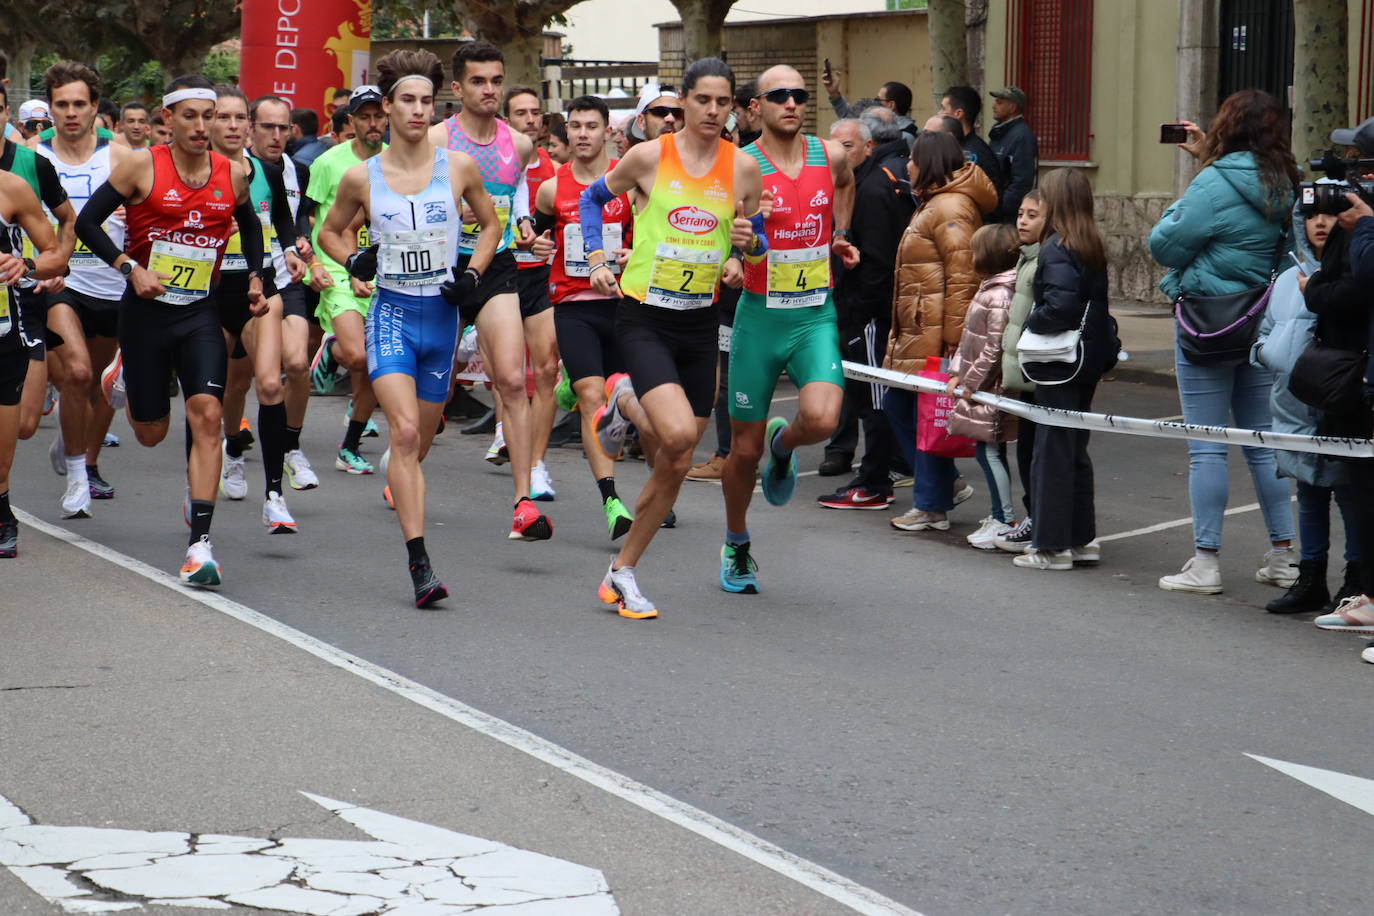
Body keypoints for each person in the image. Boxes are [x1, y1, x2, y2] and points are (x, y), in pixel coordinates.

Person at [578, 56, 765, 618]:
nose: (712, 110)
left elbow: (753, 244)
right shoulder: (648, 157)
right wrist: (595, 255)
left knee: (679, 456)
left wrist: (741, 252)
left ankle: (621, 571)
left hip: (700, 321)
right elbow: (593, 200)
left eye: (723, 102)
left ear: (733, 107)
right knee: (680, 434)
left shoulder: (743, 169)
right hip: (645, 317)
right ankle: (625, 400)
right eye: (702, 99)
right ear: (682, 100)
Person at [320, 48, 500, 608]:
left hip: (442, 319)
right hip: (393, 313)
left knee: (419, 440)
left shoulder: (460, 168)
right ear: (388, 108)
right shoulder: (361, 176)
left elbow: (492, 225)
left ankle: (400, 473)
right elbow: (331, 233)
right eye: (408, 101)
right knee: (401, 434)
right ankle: (420, 565)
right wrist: (354, 262)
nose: (419, 111)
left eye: (427, 101)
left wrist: (471, 276)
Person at [77, 73, 269, 587]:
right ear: (169, 119)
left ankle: (200, 545)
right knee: (149, 432)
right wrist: (128, 268)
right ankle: (122, 375)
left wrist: (255, 276)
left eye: (210, 116)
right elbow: (87, 223)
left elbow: (249, 225)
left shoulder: (234, 174)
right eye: (192, 116)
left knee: (207, 414)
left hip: (198, 313)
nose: (203, 126)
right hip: (144, 314)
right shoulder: (142, 165)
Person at [1149, 89, 1298, 594]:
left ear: (1225, 128)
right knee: (1261, 442)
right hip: (1261, 322)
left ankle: (1207, 563)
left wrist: (1193, 185)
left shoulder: (1212, 182)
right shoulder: (1287, 183)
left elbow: (1164, 245)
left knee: (1206, 446)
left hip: (1207, 323)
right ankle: (1283, 557)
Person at [717, 65, 857, 594]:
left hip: (814, 312)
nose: (792, 103)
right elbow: (725, 232)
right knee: (742, 452)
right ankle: (736, 542)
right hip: (759, 316)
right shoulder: (741, 167)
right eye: (779, 96)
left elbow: (846, 182)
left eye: (799, 94)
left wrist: (840, 233)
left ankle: (786, 447)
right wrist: (743, 239)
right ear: (756, 108)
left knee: (822, 419)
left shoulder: (830, 154)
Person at [428, 40, 552, 541]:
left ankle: (523, 501)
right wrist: (445, 212)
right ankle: (405, 462)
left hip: (496, 267)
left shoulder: (518, 144)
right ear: (457, 88)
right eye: (478, 81)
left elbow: (514, 194)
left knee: (513, 380)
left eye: (496, 81)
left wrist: (521, 224)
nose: (489, 90)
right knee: (431, 390)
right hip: (438, 269)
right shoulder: (435, 138)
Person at [529, 94, 636, 540]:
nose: (583, 134)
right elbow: (531, 238)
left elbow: (644, 236)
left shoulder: (627, 186)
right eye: (575, 126)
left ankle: (569, 389)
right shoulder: (552, 189)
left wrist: (633, 253)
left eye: (592, 126)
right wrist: (533, 246)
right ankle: (611, 499)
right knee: (594, 395)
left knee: (627, 399)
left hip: (624, 304)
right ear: (566, 132)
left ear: (608, 132)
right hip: (573, 306)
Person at [1251, 189, 1361, 614]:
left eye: (1331, 215)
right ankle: (1310, 576)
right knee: (1309, 495)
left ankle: (1355, 580)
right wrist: (1265, 354)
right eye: (1311, 214)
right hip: (1293, 406)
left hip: (1339, 405)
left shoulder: (1353, 275)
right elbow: (1264, 331)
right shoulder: (1285, 280)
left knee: (1350, 497)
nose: (1320, 223)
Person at [881, 130, 995, 532]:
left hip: (935, 333)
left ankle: (931, 505)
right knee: (905, 407)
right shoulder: (934, 202)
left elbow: (963, 274)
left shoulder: (950, 206)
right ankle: (942, 489)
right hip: (920, 327)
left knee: (923, 413)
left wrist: (954, 336)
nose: (906, 165)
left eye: (912, 158)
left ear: (927, 161)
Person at [207, 84, 308, 531]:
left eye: (238, 119)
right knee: (221, 390)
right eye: (221, 117)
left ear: (246, 126)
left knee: (270, 385)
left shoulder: (266, 170)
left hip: (259, 289)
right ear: (207, 123)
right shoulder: (192, 172)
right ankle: (228, 452)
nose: (231, 126)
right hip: (206, 295)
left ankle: (273, 495)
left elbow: (283, 217)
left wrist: (288, 248)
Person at [36, 61, 130, 518]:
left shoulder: (121, 157)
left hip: (113, 286)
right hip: (60, 284)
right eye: (61, 104)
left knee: (97, 386)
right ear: (50, 108)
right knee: (74, 374)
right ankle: (77, 477)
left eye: (79, 104)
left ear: (95, 107)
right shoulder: (34, 157)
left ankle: (78, 449)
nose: (70, 113)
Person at [1012, 168, 1112, 570]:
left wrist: (1030, 324)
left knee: (1051, 450)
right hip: (1086, 358)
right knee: (1073, 450)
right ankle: (1080, 538)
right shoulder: (1090, 244)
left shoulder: (1056, 247)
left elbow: (1059, 307)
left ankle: (1051, 548)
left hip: (1057, 361)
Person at [817, 107, 915, 509]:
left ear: (868, 147)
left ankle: (874, 482)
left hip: (870, 315)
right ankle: (882, 473)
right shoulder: (855, 186)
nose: (837, 155)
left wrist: (860, 314)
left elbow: (876, 262)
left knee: (876, 400)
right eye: (832, 148)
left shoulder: (873, 190)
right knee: (869, 397)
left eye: (846, 147)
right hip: (860, 310)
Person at [305, 85, 386, 476]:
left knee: (373, 366)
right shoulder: (329, 163)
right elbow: (309, 218)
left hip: (385, 272)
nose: (373, 123)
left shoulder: (395, 162)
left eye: (378, 116)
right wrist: (312, 265)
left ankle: (350, 446)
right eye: (364, 117)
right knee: (358, 357)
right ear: (350, 121)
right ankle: (335, 347)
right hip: (337, 266)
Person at [243, 93, 320, 493]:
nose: (276, 136)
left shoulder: (296, 170)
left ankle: (291, 447)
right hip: (237, 278)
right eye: (267, 127)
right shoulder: (234, 167)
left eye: (283, 128)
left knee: (297, 366)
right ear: (250, 127)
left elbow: (296, 221)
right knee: (237, 376)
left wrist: (301, 244)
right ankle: (232, 451)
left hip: (282, 278)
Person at [0, 167, 68, 558]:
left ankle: (2, 507)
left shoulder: (11, 187)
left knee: (6, 449)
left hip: (4, 333)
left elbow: (55, 255)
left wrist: (26, 266)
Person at [945, 223, 1021, 548]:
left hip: (991, 388)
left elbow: (993, 347)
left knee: (989, 451)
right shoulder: (988, 289)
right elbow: (968, 340)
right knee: (988, 450)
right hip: (983, 386)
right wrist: (957, 371)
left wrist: (970, 382)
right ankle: (998, 514)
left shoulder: (999, 294)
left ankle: (1003, 519)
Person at [503, 85, 560, 502]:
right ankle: (407, 453)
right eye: (520, 112)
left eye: (535, 112)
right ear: (506, 120)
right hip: (495, 275)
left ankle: (536, 465)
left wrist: (547, 244)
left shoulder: (555, 173)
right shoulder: (488, 165)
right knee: (499, 377)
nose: (529, 119)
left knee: (545, 370)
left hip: (538, 277)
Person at [992, 189, 1043, 553]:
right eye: (1021, 214)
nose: (1022, 221)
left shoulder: (1044, 261)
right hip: (1024, 374)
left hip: (1038, 370)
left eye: (1032, 215)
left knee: (1036, 452)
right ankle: (1033, 516)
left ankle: (1039, 520)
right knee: (1026, 449)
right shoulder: (1027, 257)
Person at [939, 86, 1004, 219]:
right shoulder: (956, 147)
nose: (939, 114)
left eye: (943, 109)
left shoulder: (977, 153)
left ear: (958, 113)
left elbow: (990, 201)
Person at [987, 87, 1037, 224]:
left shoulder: (1021, 136)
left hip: (1006, 218)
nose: (994, 105)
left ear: (1012, 107)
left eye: (999, 102)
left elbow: (1022, 181)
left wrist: (1000, 209)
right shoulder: (999, 133)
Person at [821, 69, 915, 140]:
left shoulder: (905, 136)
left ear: (891, 105)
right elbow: (848, 118)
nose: (875, 102)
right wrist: (834, 93)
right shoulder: (879, 125)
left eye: (878, 99)